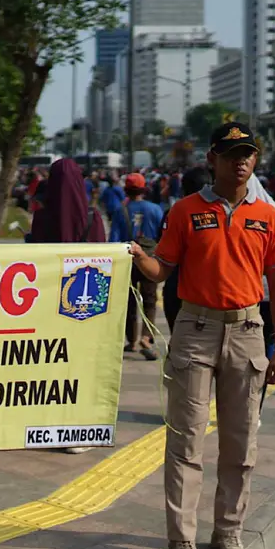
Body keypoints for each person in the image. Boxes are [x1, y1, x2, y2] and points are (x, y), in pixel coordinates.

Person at [128, 122, 275, 549]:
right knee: (186, 440)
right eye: (232, 153)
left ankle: (228, 533)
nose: (241, 161)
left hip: (248, 331)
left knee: (242, 443)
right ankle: (182, 540)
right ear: (212, 160)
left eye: (249, 154)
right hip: (195, 330)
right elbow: (162, 270)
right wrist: (137, 258)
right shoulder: (185, 211)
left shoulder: (269, 215)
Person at [27, 157, 106, 454]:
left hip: (48, 303)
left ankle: (50, 424)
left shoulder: (42, 217)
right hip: (82, 302)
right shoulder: (91, 217)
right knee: (82, 364)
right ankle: (78, 432)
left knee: (52, 364)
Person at [110, 173, 163, 360]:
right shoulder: (155, 209)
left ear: (126, 190)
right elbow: (161, 236)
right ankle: (147, 337)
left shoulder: (120, 210)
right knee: (150, 300)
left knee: (130, 302)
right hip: (149, 259)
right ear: (143, 189)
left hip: (128, 260)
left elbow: (114, 239)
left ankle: (131, 340)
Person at [162, 167, 210, 332]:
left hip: (175, 286)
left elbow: (161, 247)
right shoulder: (219, 215)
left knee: (177, 340)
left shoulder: (172, 213)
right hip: (203, 291)